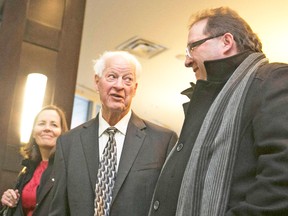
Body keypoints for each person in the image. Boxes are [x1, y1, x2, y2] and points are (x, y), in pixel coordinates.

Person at [149, 6, 288, 216]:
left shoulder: (273, 79)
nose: (187, 60)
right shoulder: (210, 99)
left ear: (226, 42)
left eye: (192, 47)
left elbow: (281, 177)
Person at [48, 51, 178, 216]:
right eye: (112, 76)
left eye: (128, 79)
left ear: (135, 88)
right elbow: (59, 209)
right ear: (97, 82)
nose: (119, 85)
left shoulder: (163, 141)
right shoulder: (68, 143)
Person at [0, 105, 68, 216]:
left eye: (54, 124)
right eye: (41, 123)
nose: (47, 128)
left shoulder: (68, 169)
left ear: (62, 133)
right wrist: (9, 200)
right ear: (33, 133)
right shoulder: (27, 169)